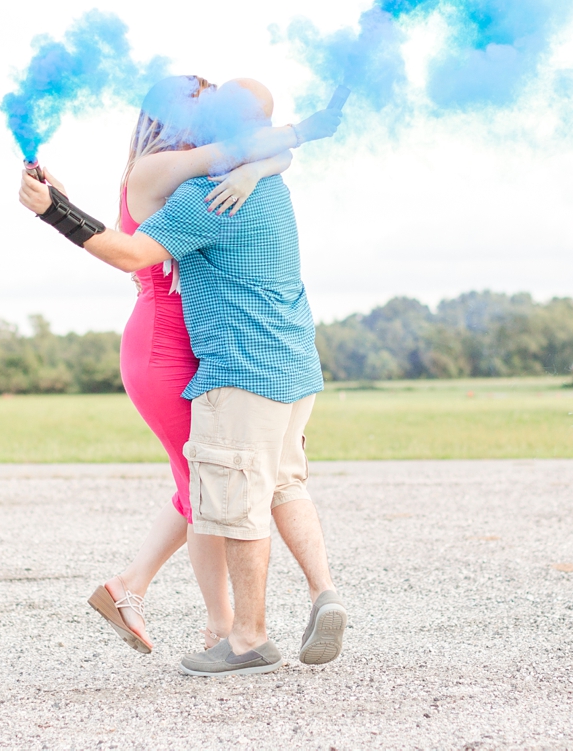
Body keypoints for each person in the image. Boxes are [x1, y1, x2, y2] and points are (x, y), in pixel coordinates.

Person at [18, 78, 345, 677]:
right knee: (237, 485)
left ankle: (227, 629)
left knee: (221, 490)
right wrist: (271, 152)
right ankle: (284, 606)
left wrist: (57, 212)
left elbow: (135, 246)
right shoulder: (225, 178)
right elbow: (257, 154)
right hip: (231, 351)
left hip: (225, 354)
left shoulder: (215, 188)